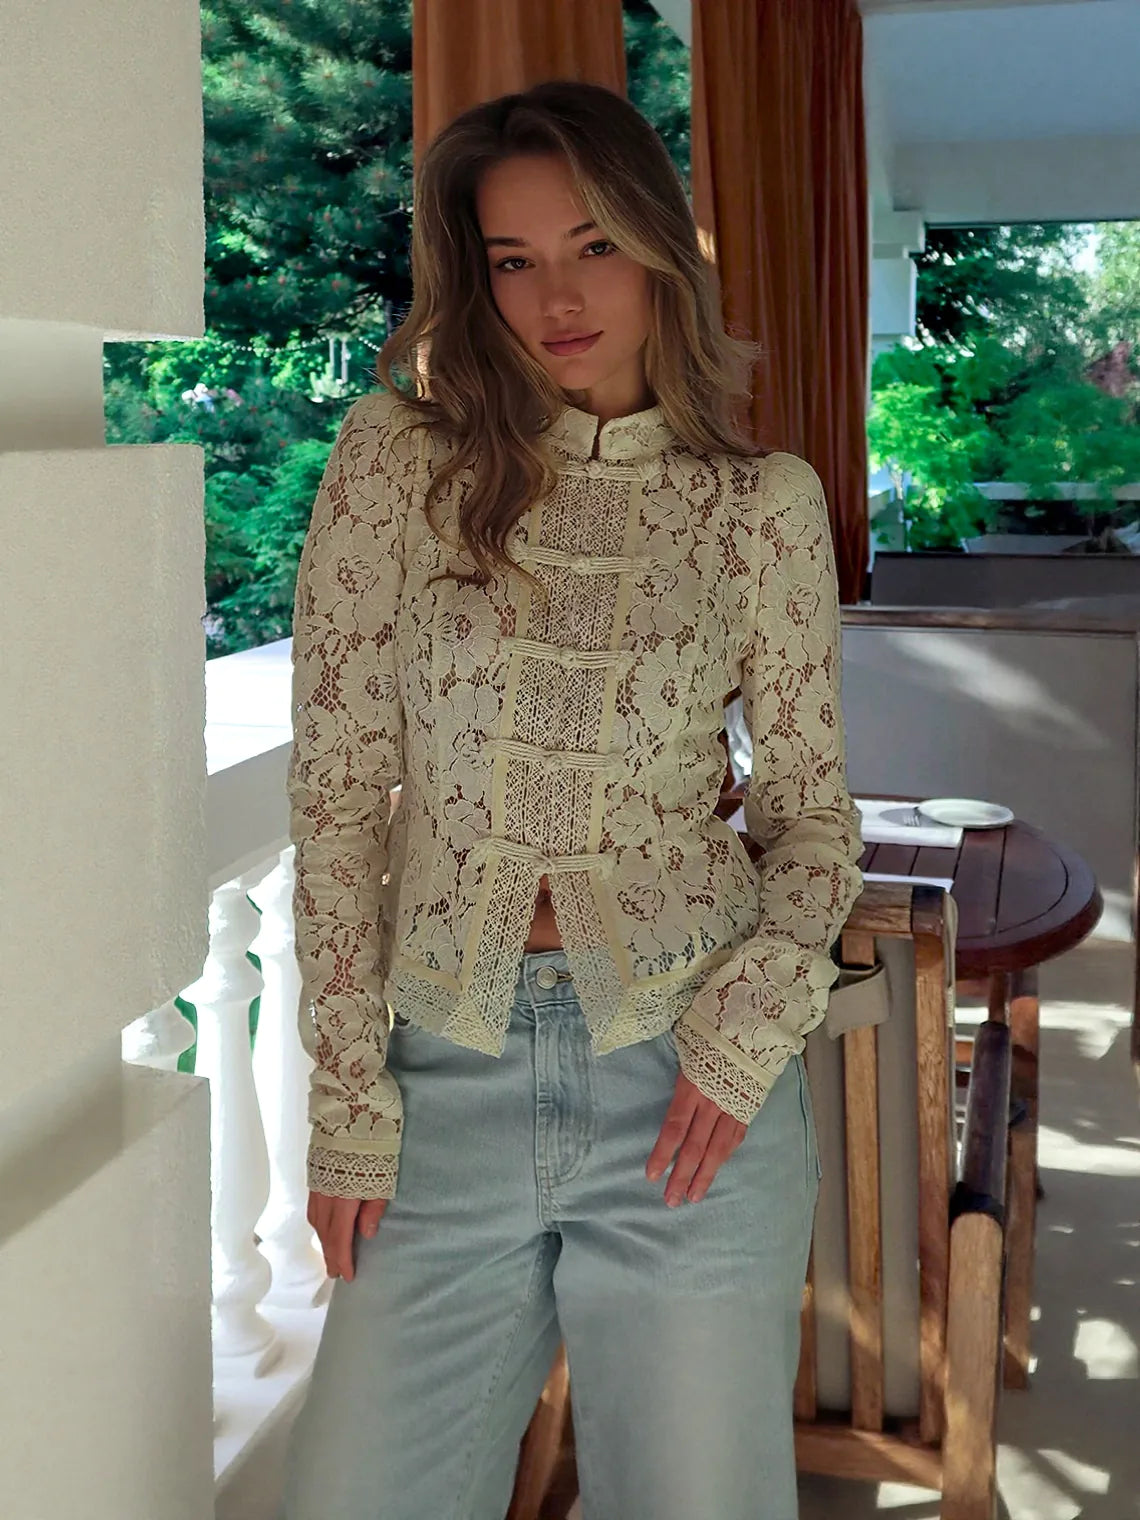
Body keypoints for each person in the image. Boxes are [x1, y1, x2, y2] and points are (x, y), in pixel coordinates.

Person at [281, 78, 863, 1520]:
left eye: (593, 244)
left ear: (661, 246)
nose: (559, 295)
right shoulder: (393, 471)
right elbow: (341, 794)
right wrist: (349, 1090)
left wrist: (748, 1024)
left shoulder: (759, 506)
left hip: (683, 1082)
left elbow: (813, 817)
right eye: (514, 260)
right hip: (439, 1084)